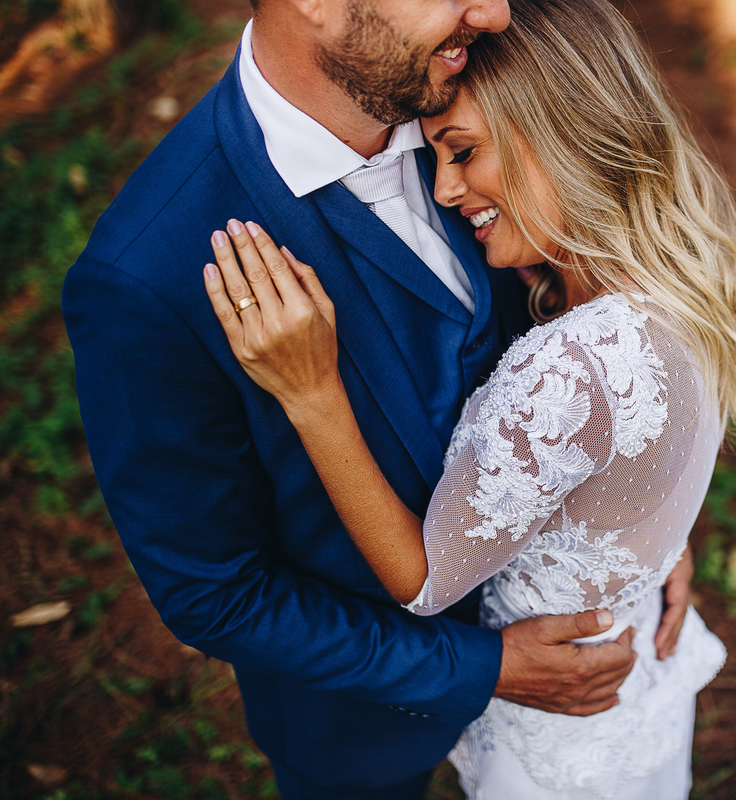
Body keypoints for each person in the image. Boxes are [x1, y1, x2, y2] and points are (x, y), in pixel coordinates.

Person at [61, 0, 696, 797]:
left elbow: (600, 327)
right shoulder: (147, 274)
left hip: (584, 667)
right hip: (364, 728)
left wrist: (635, 520)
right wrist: (486, 668)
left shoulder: (494, 91)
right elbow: (213, 594)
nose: (493, 10)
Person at [200, 0, 736, 797]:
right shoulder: (675, 280)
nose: (444, 189)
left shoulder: (573, 365)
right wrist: (649, 548)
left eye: (463, 152)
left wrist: (313, 395)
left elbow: (424, 581)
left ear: (562, 130)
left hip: (558, 741)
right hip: (636, 681)